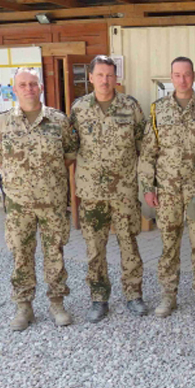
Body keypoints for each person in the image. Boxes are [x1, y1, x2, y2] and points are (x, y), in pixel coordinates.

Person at [0, 67, 78, 331]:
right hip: (19, 205)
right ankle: (24, 306)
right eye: (23, 85)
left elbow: (69, 154)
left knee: (55, 253)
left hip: (52, 202)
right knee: (21, 254)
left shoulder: (58, 120)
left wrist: (46, 178)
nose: (29, 88)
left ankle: (57, 303)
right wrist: (20, 180)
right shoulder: (1, 123)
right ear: (14, 90)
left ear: (41, 87)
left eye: (33, 84)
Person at [140, 57, 195, 319]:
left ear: (194, 76)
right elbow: (148, 152)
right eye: (177, 75)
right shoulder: (158, 109)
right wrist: (148, 186)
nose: (182, 79)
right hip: (167, 191)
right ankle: (168, 295)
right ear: (171, 77)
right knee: (169, 245)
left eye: (187, 74)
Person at [70, 55, 147, 322]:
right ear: (90, 77)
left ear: (116, 78)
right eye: (100, 75)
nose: (105, 80)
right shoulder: (79, 109)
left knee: (129, 244)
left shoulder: (130, 106)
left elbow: (144, 146)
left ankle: (133, 295)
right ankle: (99, 298)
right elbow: (70, 148)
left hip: (124, 191)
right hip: (91, 192)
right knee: (94, 248)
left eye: (110, 75)